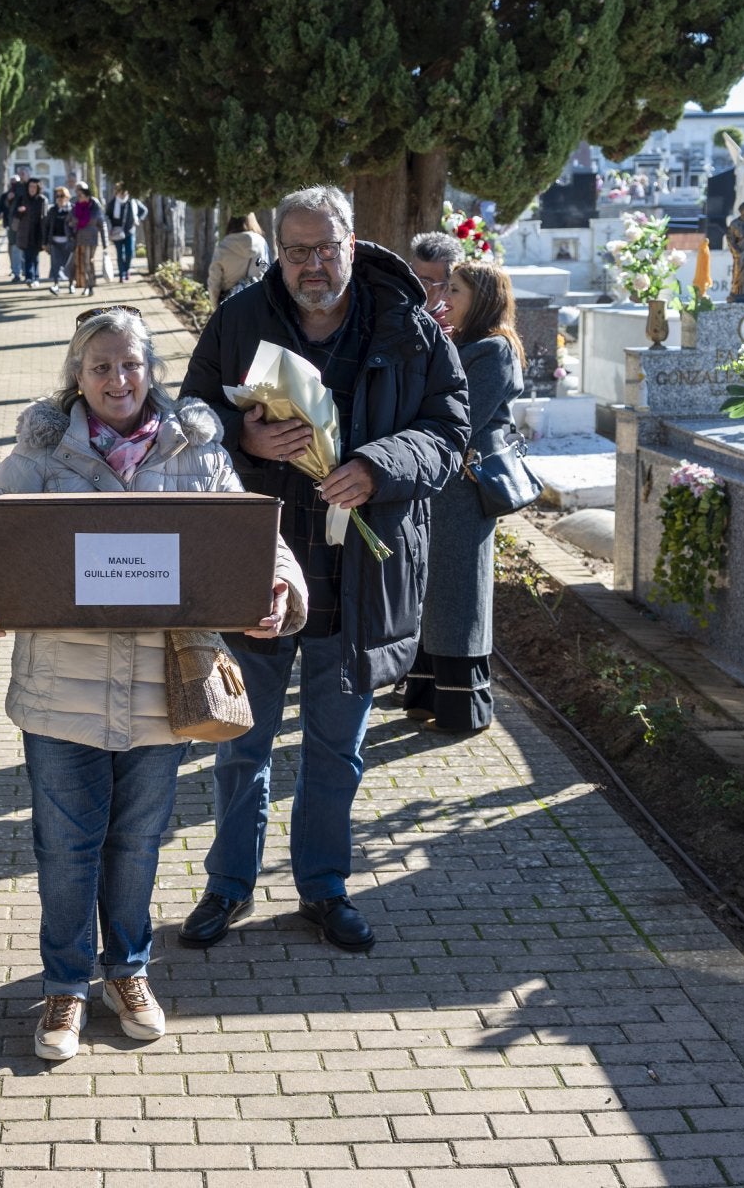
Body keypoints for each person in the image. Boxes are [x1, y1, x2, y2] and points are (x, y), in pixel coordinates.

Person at [0, 308, 309, 1062]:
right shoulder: (42, 452)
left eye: (132, 364)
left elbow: (257, 537)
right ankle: (65, 985)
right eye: (101, 366)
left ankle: (128, 972)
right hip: (61, 693)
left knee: (138, 844)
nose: (119, 380)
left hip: (161, 693)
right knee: (65, 849)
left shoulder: (195, 449)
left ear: (151, 370)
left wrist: (280, 585)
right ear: (77, 375)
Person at [177, 185, 470, 954]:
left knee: (336, 749)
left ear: (352, 242)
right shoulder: (241, 318)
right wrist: (242, 438)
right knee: (241, 742)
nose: (314, 264)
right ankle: (228, 884)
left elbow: (449, 428)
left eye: (326, 248)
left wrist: (378, 466)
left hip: (359, 575)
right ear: (279, 253)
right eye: (298, 250)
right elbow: (189, 417)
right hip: (258, 569)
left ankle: (323, 886)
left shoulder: (406, 322)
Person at [399, 263, 525, 734]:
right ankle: (426, 694)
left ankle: (464, 710)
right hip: (440, 485)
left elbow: (462, 420)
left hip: (466, 490)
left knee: (460, 595)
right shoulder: (460, 342)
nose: (445, 297)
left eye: (455, 290)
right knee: (433, 592)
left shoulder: (495, 350)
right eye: (446, 288)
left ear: (483, 298)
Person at [206, 214, 270, 305]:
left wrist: (216, 306)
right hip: (256, 301)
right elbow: (266, 272)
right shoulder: (261, 243)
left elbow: (214, 282)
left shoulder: (223, 246)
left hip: (230, 303)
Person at [408, 231, 466, 330]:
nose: (412, 285)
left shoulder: (447, 332)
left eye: (424, 282)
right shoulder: (387, 304)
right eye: (411, 274)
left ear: (446, 288)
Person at [105, 184, 149, 282]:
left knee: (130, 252)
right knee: (120, 254)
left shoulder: (132, 202)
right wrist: (109, 229)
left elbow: (144, 210)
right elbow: (107, 216)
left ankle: (127, 269)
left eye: (124, 192)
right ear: (117, 192)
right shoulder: (112, 204)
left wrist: (138, 219)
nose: (123, 194)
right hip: (117, 233)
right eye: (121, 192)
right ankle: (122, 274)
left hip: (130, 231)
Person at [69, 182, 105, 297]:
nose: (78, 196)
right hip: (79, 239)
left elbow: (100, 222)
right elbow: (69, 220)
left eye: (81, 194)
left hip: (92, 239)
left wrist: (105, 243)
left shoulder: (94, 205)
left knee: (88, 261)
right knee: (81, 262)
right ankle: (86, 285)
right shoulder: (76, 205)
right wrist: (71, 231)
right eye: (77, 193)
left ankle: (90, 284)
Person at [14, 177, 48, 288]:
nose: (32, 189)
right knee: (28, 255)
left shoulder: (42, 200)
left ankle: (36, 277)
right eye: (30, 186)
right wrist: (19, 211)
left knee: (35, 256)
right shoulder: (22, 198)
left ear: (38, 188)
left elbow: (44, 217)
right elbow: (15, 214)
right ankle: (29, 277)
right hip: (25, 232)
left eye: (34, 187)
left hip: (37, 232)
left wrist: (45, 234)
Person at [44, 186, 76, 293]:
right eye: (57, 196)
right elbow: (47, 226)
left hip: (69, 242)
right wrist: (45, 242)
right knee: (55, 265)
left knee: (70, 265)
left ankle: (71, 285)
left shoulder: (72, 209)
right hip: (55, 242)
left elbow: (77, 225)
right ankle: (56, 285)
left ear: (67, 197)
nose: (59, 198)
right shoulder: (53, 210)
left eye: (62, 196)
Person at [0, 177, 24, 283]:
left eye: (16, 183)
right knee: (13, 248)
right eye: (12, 183)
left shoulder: (23, 195)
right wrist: (7, 200)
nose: (14, 185)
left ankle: (23, 270)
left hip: (23, 226)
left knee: (23, 249)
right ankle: (15, 271)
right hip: (10, 226)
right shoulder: (5, 195)